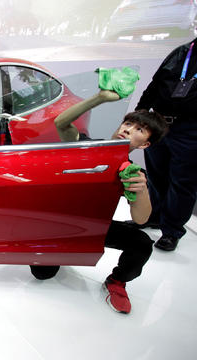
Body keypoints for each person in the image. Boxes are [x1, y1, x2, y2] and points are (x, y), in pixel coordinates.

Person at [52, 89, 168, 314]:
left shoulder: (133, 173)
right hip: (61, 224)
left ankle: (117, 281)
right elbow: (61, 123)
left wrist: (141, 190)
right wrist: (100, 98)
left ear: (145, 145)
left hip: (95, 226)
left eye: (139, 129)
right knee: (43, 274)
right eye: (128, 123)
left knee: (142, 243)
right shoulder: (86, 148)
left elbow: (141, 219)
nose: (128, 129)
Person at [134, 38, 197, 252]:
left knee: (182, 182)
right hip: (159, 123)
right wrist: (140, 114)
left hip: (190, 129)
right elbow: (155, 84)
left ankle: (171, 231)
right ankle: (152, 216)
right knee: (156, 175)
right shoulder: (181, 52)